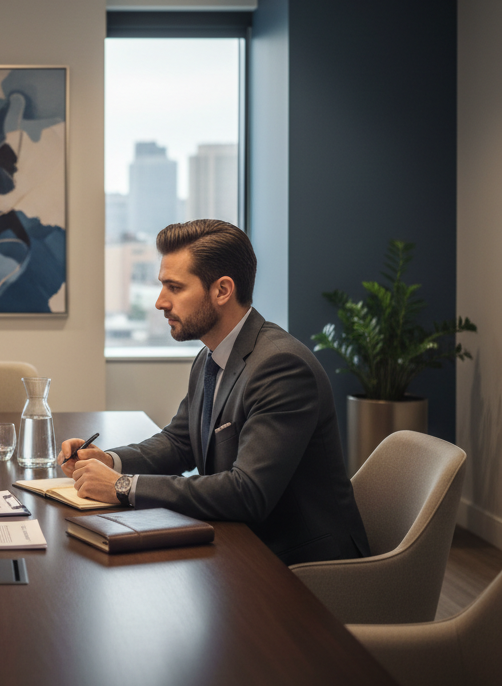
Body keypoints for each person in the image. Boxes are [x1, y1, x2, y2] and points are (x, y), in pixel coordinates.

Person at [60, 219, 369, 566]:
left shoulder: (281, 367)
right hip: (242, 544)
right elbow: (180, 443)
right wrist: (109, 461)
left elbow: (247, 493)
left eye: (174, 288)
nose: (160, 302)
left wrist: (122, 486)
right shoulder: (211, 356)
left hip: (303, 567)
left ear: (222, 290)